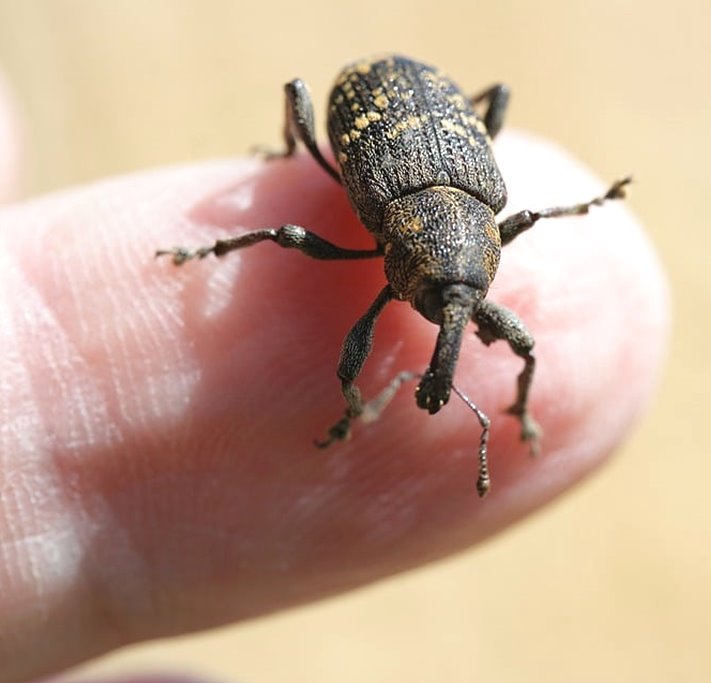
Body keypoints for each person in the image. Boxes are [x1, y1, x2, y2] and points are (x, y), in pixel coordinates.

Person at [0, 80, 669, 682]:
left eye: (457, 305)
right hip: (380, 104)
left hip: (434, 153)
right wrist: (354, 402)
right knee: (287, 236)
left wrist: (477, 313)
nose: (451, 330)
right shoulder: (395, 209)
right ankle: (223, 241)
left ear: (494, 244)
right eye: (441, 304)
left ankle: (516, 406)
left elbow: (463, 308)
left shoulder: (476, 236)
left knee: (524, 345)